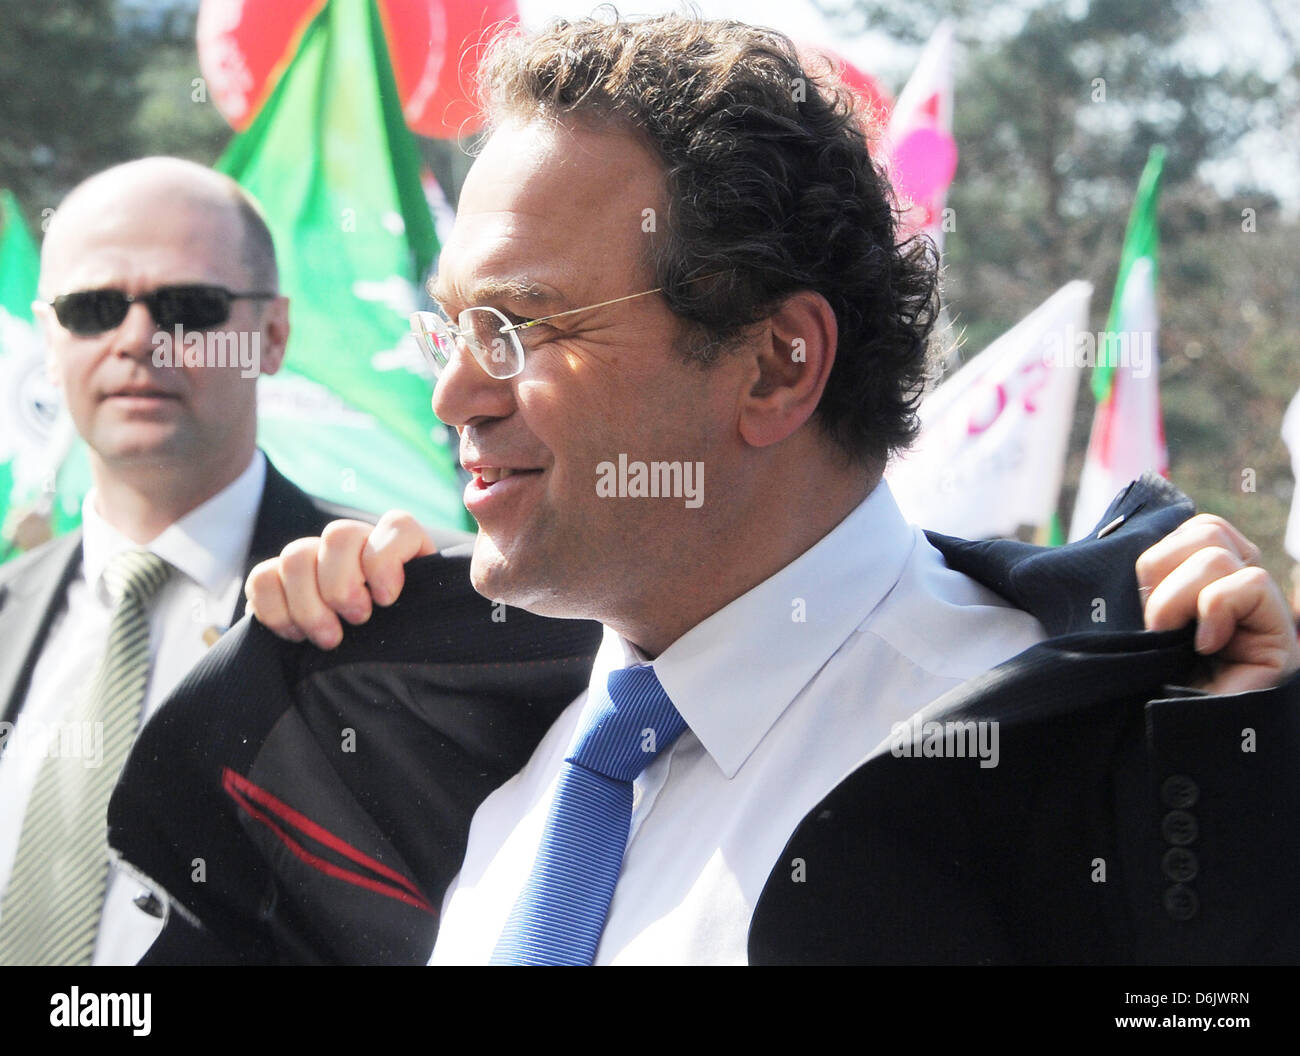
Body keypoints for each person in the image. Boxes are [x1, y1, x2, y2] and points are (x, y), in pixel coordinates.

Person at [207, 15, 1297, 963]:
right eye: (453, 325)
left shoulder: (1083, 761)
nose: (453, 393)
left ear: (777, 363)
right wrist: (326, 679)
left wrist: (1233, 805)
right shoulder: (437, 732)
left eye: (521, 327)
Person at [0, 157, 464, 966]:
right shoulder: (11, 607)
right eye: (92, 308)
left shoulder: (392, 601)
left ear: (274, 334)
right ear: (49, 336)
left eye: (188, 305)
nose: (138, 338)